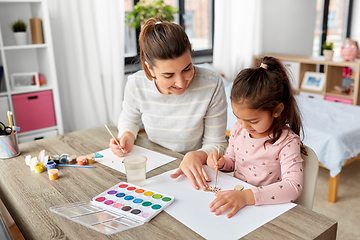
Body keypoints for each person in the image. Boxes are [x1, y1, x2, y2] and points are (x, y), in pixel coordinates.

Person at [110, 17, 227, 190]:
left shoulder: (211, 83)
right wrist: (126, 136)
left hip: (196, 170)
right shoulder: (136, 83)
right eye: (168, 75)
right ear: (150, 69)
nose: (181, 83)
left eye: (187, 68)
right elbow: (130, 120)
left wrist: (198, 155)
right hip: (155, 168)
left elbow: (217, 143)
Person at [207, 56, 306, 218]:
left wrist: (247, 197)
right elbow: (233, 162)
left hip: (267, 208)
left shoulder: (287, 142)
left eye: (253, 121)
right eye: (238, 117)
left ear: (277, 110)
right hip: (239, 202)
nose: (244, 126)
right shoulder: (239, 129)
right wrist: (222, 162)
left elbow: (293, 186)